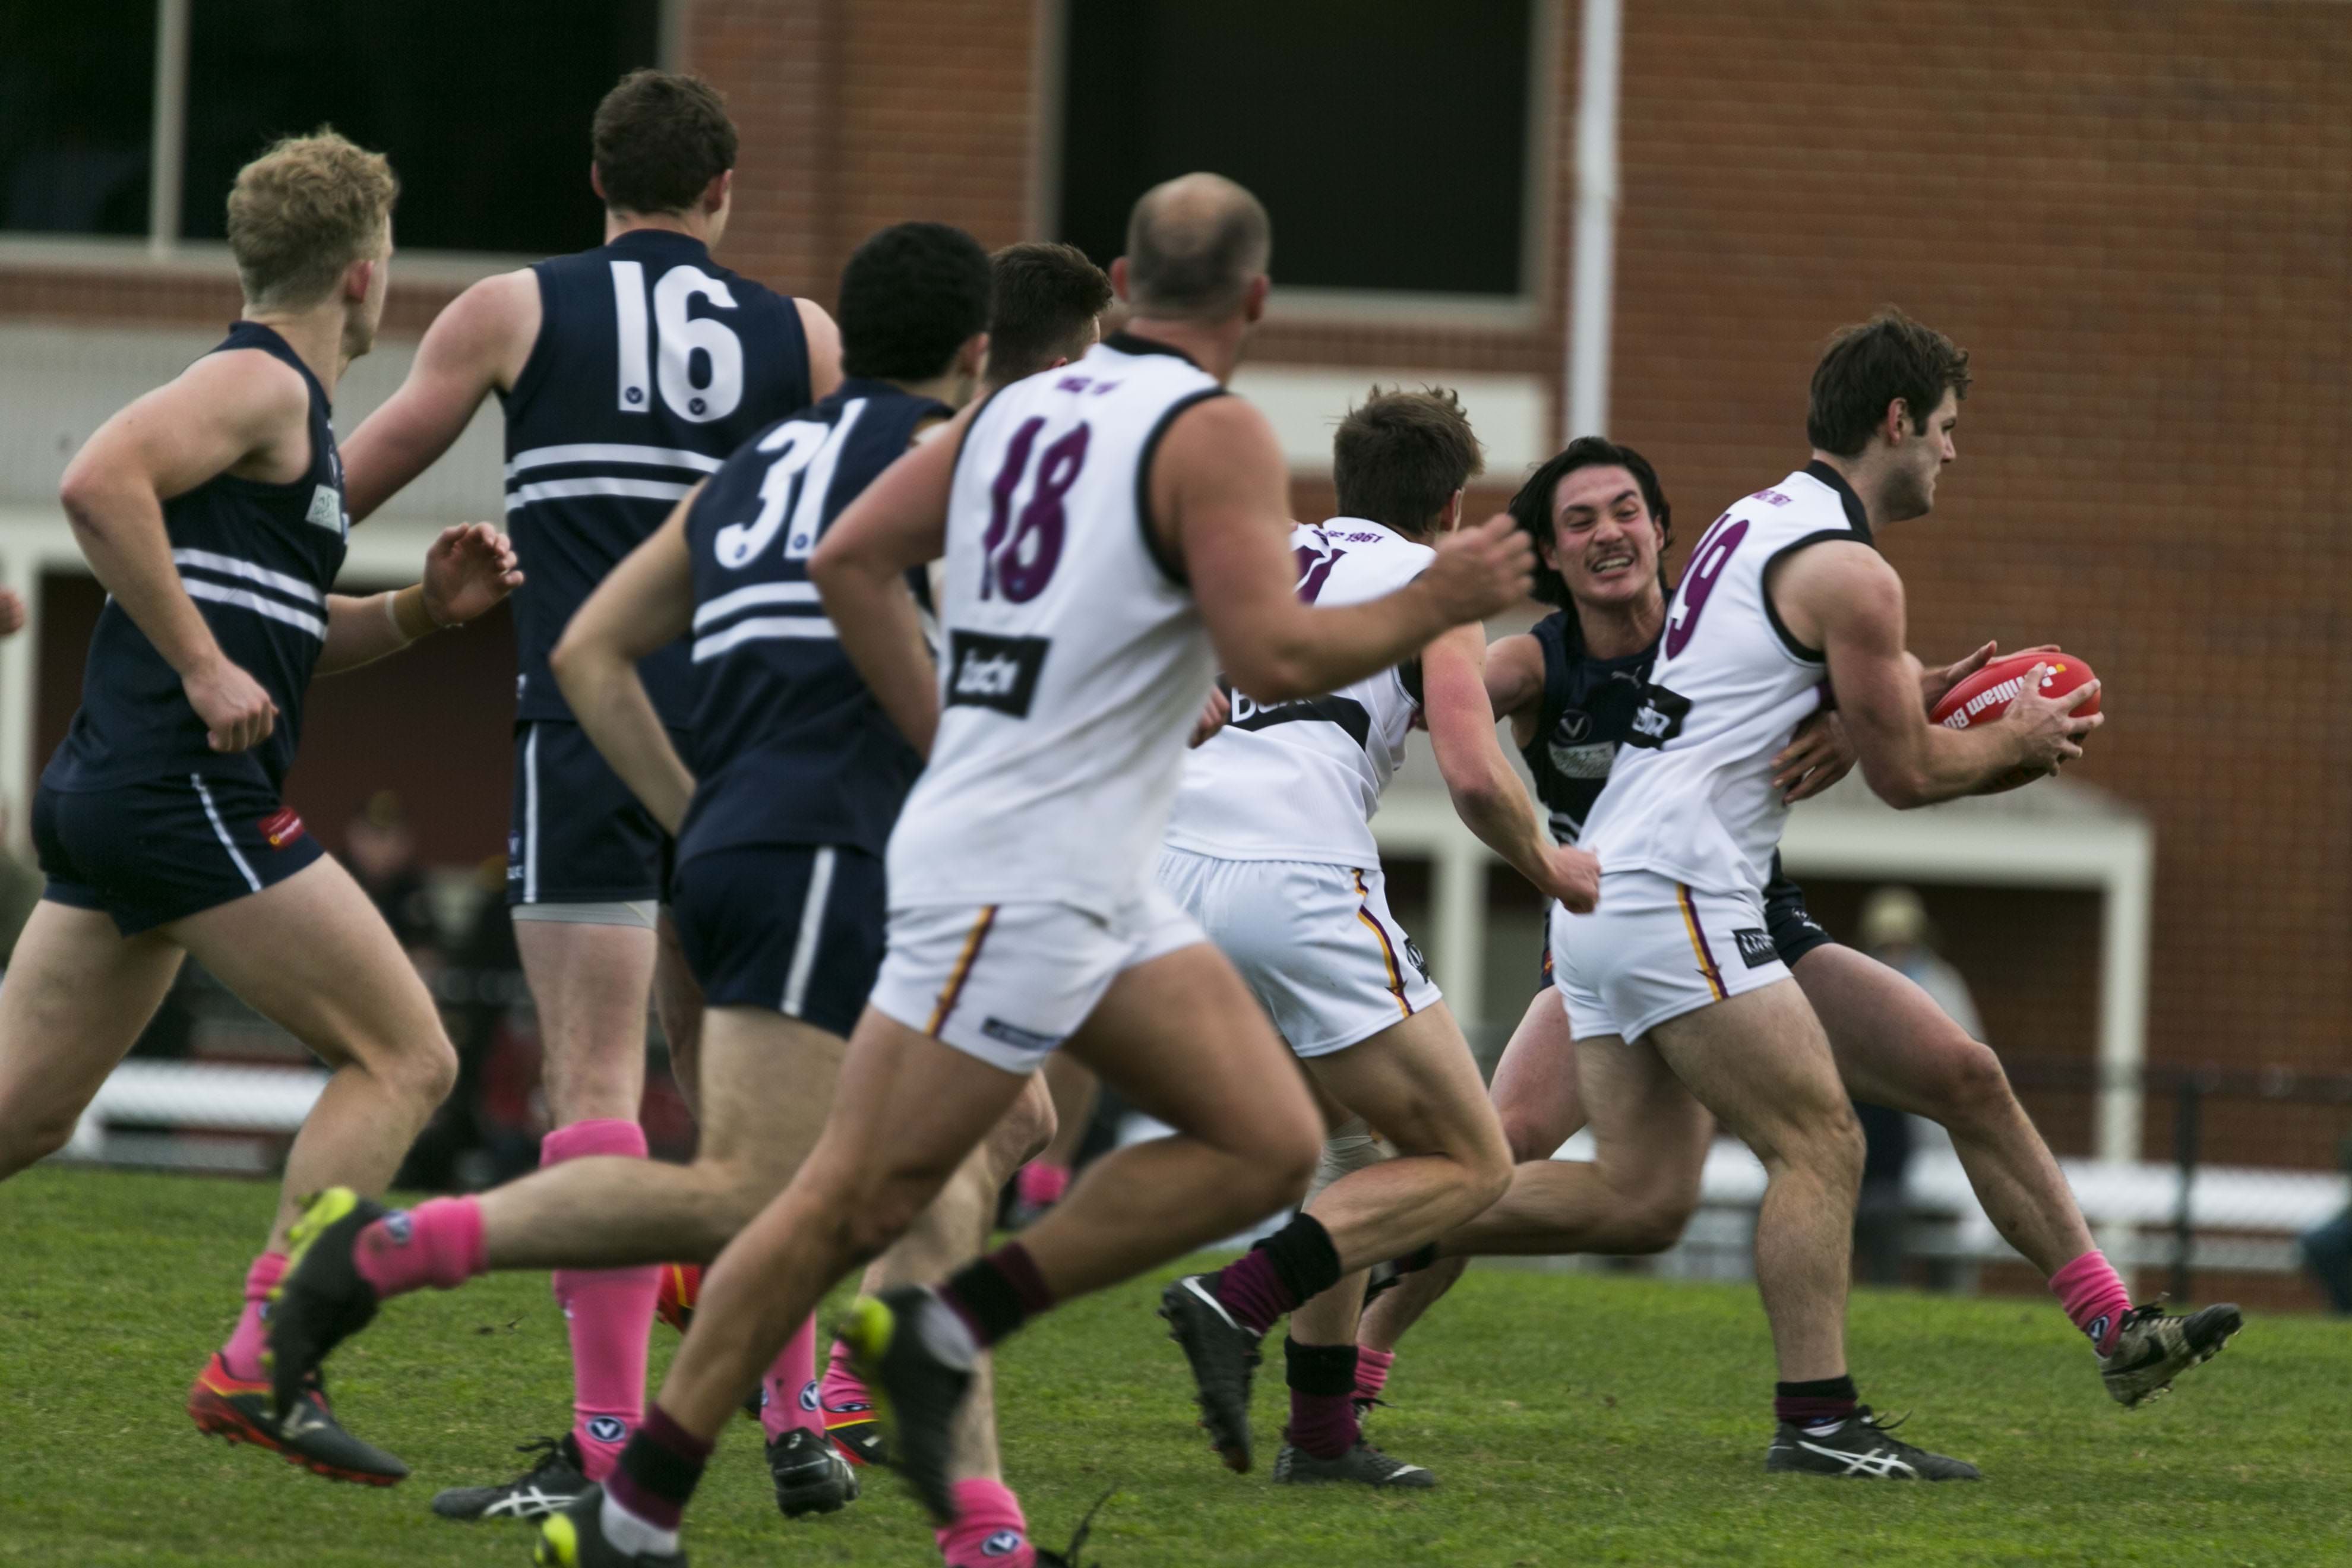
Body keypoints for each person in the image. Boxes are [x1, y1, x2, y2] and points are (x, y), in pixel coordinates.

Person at [462, 172, 1534, 1567]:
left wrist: (950, 732)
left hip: (1064, 850)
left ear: (1126, 284)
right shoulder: (1208, 429)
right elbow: (1271, 655)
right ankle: (427, 1273)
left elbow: (853, 560)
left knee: (1100, 1153)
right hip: (1038, 855)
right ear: (1258, 300)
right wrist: (1442, 597)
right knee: (864, 1186)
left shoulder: (1012, 416)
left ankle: (670, 1493)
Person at [267, 227, 1119, 1566]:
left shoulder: (759, 468)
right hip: (842, 850)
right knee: (783, 1188)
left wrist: (696, 817)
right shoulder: (962, 464)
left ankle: (735, 1493)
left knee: (968, 1136)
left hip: (753, 840)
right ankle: (399, 1248)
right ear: (977, 354)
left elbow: (593, 649)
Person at [1358, 424, 2243, 1424]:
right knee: (1508, 1149)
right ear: (1551, 558)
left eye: (1626, 512)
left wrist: (1867, 716)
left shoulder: (1716, 624)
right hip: (1616, 930)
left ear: (1662, 530)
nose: (1608, 533)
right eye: (1579, 521)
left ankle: (2114, 1325)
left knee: (1964, 1075)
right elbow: (1435, 700)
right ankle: (1359, 1356)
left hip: (1745, 919)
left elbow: (1870, 694)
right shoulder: (1538, 659)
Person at [334, 67, 843, 1505]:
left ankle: (610, 1442)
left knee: (597, 1082)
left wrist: (229, 556)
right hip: (754, 739)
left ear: (599, 182)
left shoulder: (512, 307)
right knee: (753, 1089)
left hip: (586, 725)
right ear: (724, 189)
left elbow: (345, 485)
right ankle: (798, 1419)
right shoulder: (804, 333)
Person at [0, 130, 522, 1485]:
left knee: (22, 1118)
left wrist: (421, 612)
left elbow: (289, 632)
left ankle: (265, 1357)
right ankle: (265, 1358)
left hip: (124, 794)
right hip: (179, 790)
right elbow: (96, 482)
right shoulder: (260, 382)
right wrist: (198, 662)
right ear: (363, 275)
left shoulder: (298, 426)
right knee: (407, 1058)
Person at [1149, 386, 1598, 1488]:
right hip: (1295, 878)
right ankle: (1236, 1297)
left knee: (1349, 1145)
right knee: (1472, 1162)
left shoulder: (1265, 555)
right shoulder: (1435, 585)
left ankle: (1320, 1436)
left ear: (1342, 487)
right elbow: (1471, 773)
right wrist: (1551, 866)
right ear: (1452, 508)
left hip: (1164, 868)